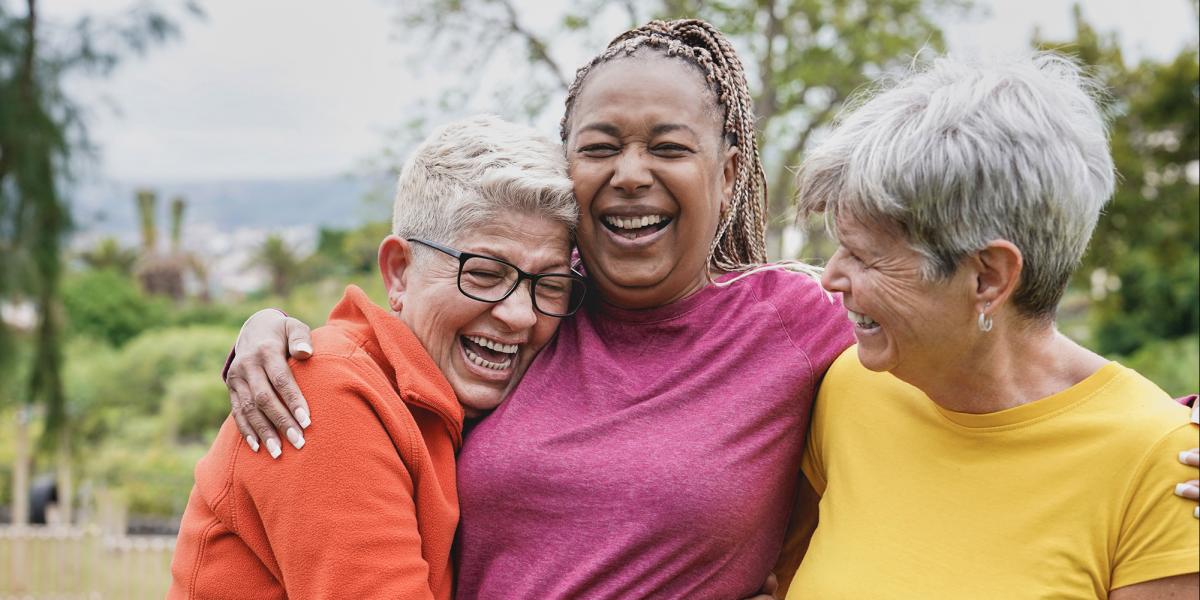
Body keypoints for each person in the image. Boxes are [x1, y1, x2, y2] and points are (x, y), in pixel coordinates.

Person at [221, 22, 1200, 599]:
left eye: (669, 146)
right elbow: (396, 345)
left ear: (729, 175)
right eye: (600, 144)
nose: (631, 173)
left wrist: (1169, 429)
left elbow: (999, 354)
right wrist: (274, 333)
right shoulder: (530, 313)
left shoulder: (807, 328)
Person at [783, 53, 1199, 597]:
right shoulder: (849, 388)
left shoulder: (1163, 467)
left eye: (865, 258)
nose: (831, 277)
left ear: (988, 278)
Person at [167, 115, 585, 599]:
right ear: (399, 272)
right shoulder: (326, 394)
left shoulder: (450, 398)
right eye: (485, 274)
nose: (519, 316)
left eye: (549, 286)